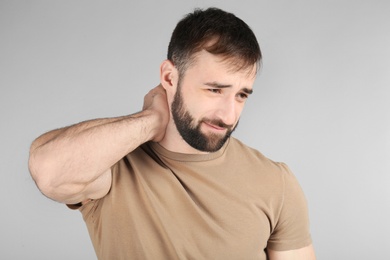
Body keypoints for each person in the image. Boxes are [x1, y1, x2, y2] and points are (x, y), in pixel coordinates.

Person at [29, 7, 316, 260]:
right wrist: (150, 120)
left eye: (241, 95)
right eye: (214, 90)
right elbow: (48, 172)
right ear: (169, 77)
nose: (229, 115)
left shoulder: (276, 183)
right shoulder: (115, 168)